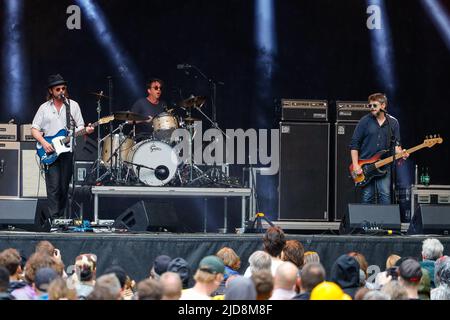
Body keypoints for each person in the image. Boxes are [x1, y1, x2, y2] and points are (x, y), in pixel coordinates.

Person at [31, 74, 94, 219]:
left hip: (67, 151)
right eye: (58, 89)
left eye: (63, 88)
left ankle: (60, 218)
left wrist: (86, 130)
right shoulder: (44, 108)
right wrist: (45, 143)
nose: (61, 91)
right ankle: (54, 219)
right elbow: (34, 129)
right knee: (53, 186)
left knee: (64, 187)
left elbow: (79, 127)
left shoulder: (73, 106)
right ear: (51, 91)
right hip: (50, 151)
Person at [349, 93, 408, 204]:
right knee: (367, 196)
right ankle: (366, 221)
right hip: (366, 166)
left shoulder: (393, 122)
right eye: (370, 106)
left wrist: (402, 153)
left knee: (385, 195)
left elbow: (396, 146)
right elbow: (354, 144)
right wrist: (356, 164)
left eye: (374, 105)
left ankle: (384, 221)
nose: (371, 108)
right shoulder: (364, 121)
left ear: (383, 105)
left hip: (385, 165)